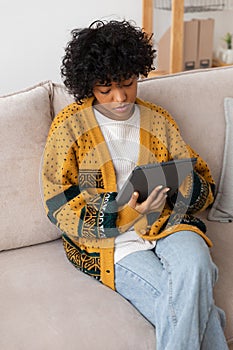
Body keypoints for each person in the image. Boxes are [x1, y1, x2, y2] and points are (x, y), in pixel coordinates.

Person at [42, 20, 228, 349]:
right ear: (88, 85)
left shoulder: (158, 119)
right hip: (111, 243)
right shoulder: (69, 126)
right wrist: (127, 213)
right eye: (105, 89)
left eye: (128, 83)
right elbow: (59, 205)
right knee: (193, 310)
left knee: (198, 266)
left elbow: (204, 184)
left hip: (168, 222)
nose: (120, 97)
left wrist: (173, 186)